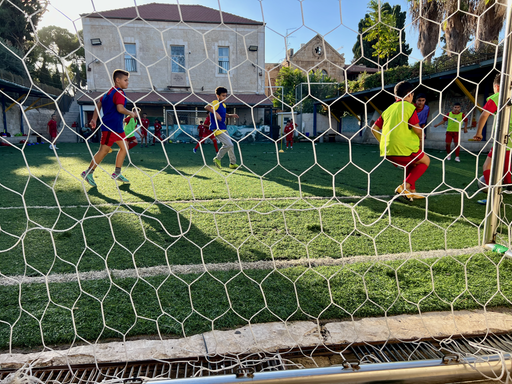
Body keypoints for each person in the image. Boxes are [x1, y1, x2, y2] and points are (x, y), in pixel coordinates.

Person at [371, 81, 430, 201]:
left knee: (413, 164)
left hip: (387, 150)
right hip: (403, 147)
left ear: (395, 96)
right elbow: (417, 129)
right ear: (409, 94)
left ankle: (411, 191)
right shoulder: (409, 107)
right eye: (413, 95)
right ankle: (404, 187)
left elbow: (374, 129)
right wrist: (421, 135)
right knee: (425, 161)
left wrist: (384, 141)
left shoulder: (388, 109)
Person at [80, 69, 136, 187]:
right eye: (125, 80)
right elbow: (120, 109)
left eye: (128, 80)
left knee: (124, 147)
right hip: (110, 127)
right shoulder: (119, 92)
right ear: (117, 80)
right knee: (103, 151)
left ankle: (117, 173)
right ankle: (88, 173)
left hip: (117, 128)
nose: (127, 82)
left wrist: (94, 119)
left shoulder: (108, 93)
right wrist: (131, 113)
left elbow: (98, 104)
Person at [473, 74, 512, 201]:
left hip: (504, 139)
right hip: (508, 140)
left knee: (487, 166)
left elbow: (484, 114)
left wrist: (479, 133)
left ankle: (493, 195)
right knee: (506, 170)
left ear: (497, 87)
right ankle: (507, 189)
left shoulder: (498, 96)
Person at [205, 86, 239, 169]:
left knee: (231, 146)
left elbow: (224, 115)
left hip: (223, 128)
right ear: (218, 96)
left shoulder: (223, 105)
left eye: (225, 96)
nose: (224, 97)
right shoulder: (216, 102)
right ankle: (217, 158)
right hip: (217, 128)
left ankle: (232, 163)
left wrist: (231, 115)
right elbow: (207, 107)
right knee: (229, 144)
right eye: (223, 96)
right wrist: (215, 113)